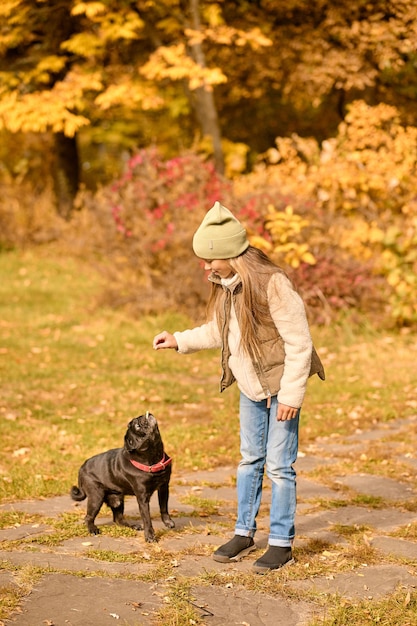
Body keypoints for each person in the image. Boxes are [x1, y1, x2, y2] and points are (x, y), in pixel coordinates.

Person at [153, 201, 325, 573]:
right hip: (250, 387)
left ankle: (281, 542)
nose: (206, 266)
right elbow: (219, 330)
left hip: (281, 386)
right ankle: (244, 533)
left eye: (210, 259)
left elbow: (299, 342)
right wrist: (178, 339)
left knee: (280, 466)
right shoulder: (225, 285)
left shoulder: (272, 284)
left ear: (230, 254)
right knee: (250, 460)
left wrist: (292, 396)